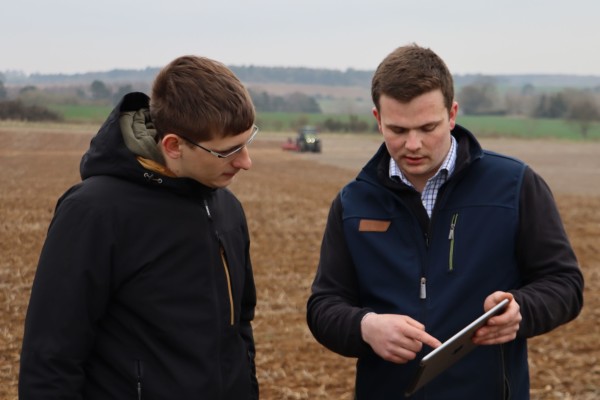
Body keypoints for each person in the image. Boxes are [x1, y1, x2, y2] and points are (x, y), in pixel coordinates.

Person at [306, 44, 584, 399]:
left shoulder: (514, 186)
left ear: (452, 114)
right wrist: (366, 327)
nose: (413, 144)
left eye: (427, 127)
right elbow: (324, 306)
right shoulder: (353, 202)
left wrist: (522, 310)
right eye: (397, 130)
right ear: (377, 119)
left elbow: (565, 283)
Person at [19, 56, 259, 399]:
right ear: (173, 146)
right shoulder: (92, 213)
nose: (246, 162)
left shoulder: (227, 207)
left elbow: (241, 328)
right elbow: (51, 358)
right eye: (229, 151)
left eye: (248, 141)